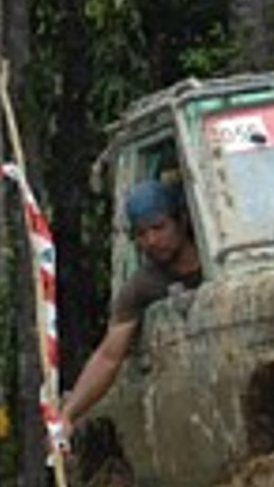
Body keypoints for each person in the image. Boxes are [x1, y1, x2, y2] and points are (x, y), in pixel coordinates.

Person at [58, 178, 202, 435]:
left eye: (159, 228)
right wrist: (69, 414)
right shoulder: (141, 287)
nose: (152, 241)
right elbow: (109, 356)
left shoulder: (222, 255)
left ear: (181, 221)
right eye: (142, 234)